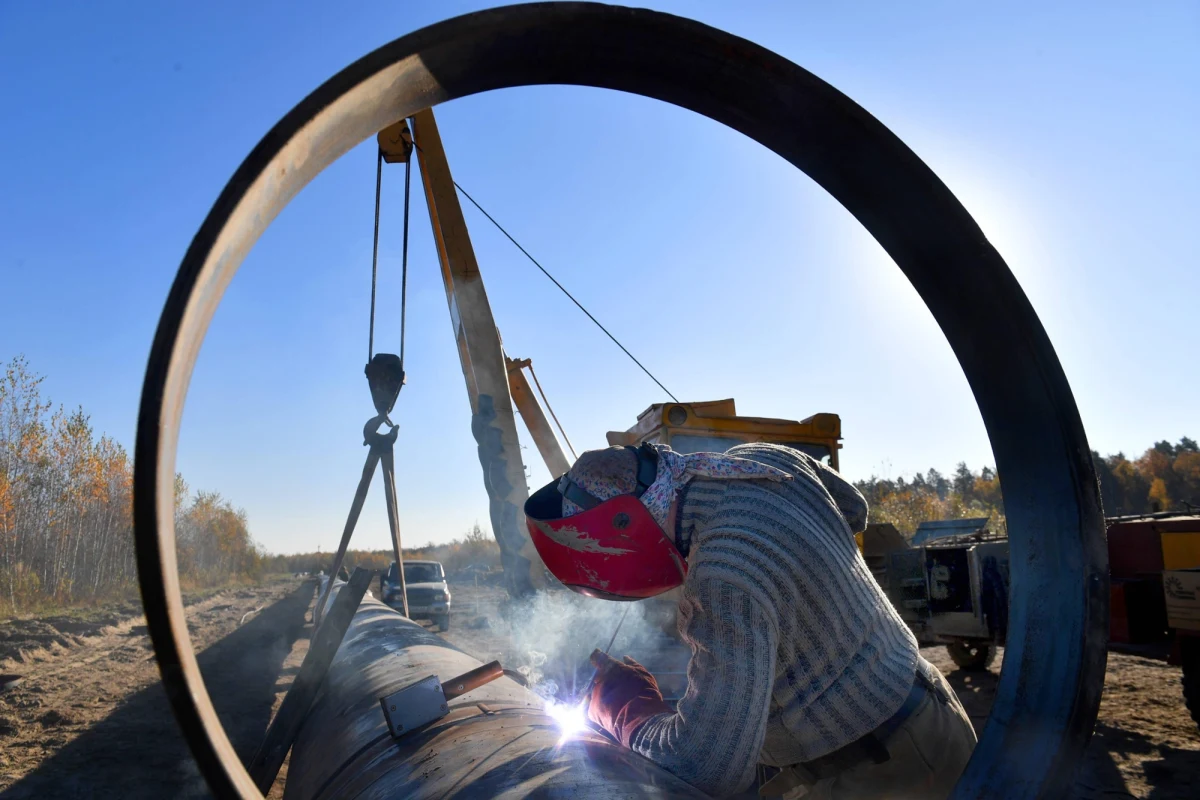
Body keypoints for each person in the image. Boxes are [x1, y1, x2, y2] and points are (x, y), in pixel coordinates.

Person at [524, 442, 977, 799]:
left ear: (621, 528)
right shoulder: (764, 459)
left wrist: (626, 711)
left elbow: (705, 766)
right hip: (933, 710)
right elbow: (855, 509)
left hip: (885, 775)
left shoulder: (722, 577)